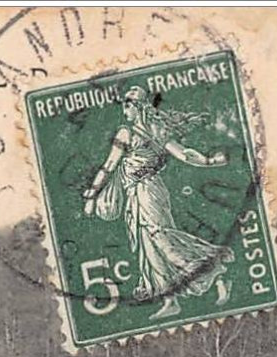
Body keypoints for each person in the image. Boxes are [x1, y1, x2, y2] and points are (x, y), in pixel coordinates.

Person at [82, 86, 233, 320]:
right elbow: (185, 154)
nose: (125, 109)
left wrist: (92, 195)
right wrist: (209, 161)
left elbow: (109, 166)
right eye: (124, 104)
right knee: (149, 246)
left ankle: (214, 272)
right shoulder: (157, 130)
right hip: (144, 193)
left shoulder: (127, 133)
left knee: (160, 239)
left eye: (128, 104)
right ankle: (170, 300)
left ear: (139, 106)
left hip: (146, 193)